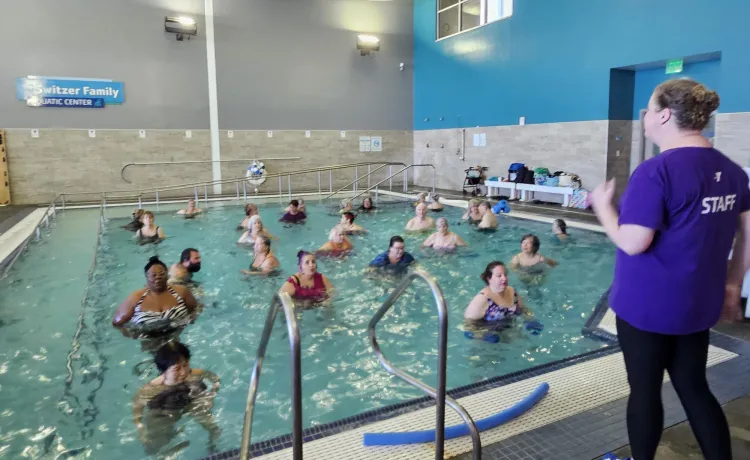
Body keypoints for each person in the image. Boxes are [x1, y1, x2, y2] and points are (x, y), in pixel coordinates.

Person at [590, 79, 750, 460]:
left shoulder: (655, 171)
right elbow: (748, 235)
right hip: (698, 304)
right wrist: (732, 286)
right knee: (694, 386)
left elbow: (633, 242)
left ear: (664, 114)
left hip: (647, 307)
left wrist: (603, 207)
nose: (644, 115)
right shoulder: (731, 171)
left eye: (647, 108)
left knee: (644, 391)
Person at [132, 341, 220, 454]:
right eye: (177, 369)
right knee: (154, 447)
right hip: (164, 410)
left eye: (186, 364)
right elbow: (137, 410)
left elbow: (214, 378)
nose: (183, 372)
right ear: (163, 371)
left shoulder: (193, 374)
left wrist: (211, 395)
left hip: (190, 399)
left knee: (214, 428)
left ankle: (213, 447)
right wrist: (141, 429)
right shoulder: (151, 389)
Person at [113, 256, 198, 329]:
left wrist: (190, 320)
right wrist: (129, 334)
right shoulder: (135, 298)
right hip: (147, 340)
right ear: (146, 277)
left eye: (161, 274)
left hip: (175, 337)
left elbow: (196, 309)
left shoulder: (181, 292)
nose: (158, 277)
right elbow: (117, 323)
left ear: (167, 275)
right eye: (153, 275)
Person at [464, 261, 537, 324]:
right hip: (491, 333)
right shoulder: (482, 299)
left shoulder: (512, 292)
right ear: (489, 279)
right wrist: (482, 334)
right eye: (499, 276)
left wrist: (531, 319)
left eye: (505, 275)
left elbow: (524, 308)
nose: (504, 278)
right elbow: (468, 324)